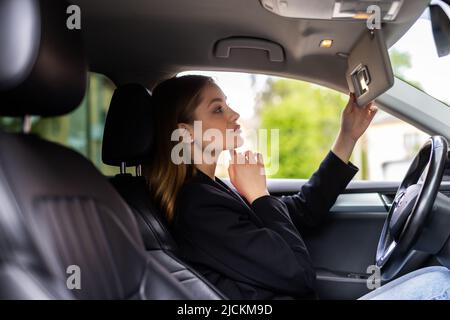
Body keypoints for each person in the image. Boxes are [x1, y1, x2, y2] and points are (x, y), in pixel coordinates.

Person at [143, 74, 450, 300]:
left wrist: (347, 137)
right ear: (186, 134)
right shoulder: (198, 207)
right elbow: (297, 275)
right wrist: (259, 196)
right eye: (218, 109)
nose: (234, 115)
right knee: (441, 284)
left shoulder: (212, 189)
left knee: (438, 277)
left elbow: (300, 212)